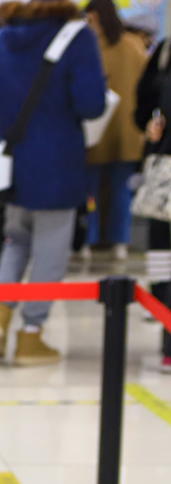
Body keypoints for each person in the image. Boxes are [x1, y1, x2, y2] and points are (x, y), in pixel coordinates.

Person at [0, 0, 106, 365]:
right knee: (50, 252)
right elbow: (91, 104)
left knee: (15, 241)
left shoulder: (1, 38)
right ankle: (31, 336)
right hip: (57, 164)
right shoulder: (77, 37)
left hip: (13, 164)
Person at [83, 0, 146, 263]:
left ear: (94, 17)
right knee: (122, 192)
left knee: (89, 192)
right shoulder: (134, 45)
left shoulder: (87, 46)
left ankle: (87, 242)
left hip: (93, 131)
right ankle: (121, 242)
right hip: (128, 132)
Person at [134, 26, 171, 374]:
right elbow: (145, 103)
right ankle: (160, 305)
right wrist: (150, 125)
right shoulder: (164, 51)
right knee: (161, 249)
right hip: (165, 170)